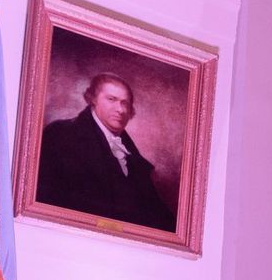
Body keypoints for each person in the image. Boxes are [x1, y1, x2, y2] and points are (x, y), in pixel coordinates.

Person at [36, 72, 176, 231]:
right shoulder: (61, 134)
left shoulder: (132, 156)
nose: (120, 109)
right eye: (112, 99)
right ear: (92, 99)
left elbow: (156, 212)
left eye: (125, 103)